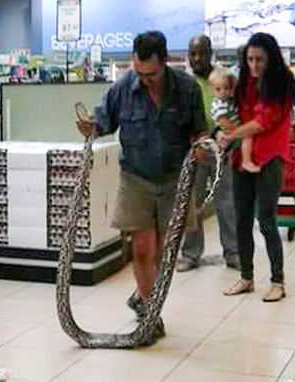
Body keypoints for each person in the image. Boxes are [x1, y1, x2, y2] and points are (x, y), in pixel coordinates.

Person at [76, 31, 207, 336]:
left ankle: (141, 296)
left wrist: (202, 145)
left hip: (175, 178)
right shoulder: (122, 89)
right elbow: (102, 124)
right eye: (139, 72)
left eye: (151, 74)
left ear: (166, 62)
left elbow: (199, 131)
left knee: (164, 253)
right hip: (135, 178)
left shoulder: (187, 89)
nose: (144, 79)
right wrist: (89, 128)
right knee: (143, 249)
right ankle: (151, 315)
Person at [219, 33, 295, 302]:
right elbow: (236, 115)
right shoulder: (245, 84)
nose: (254, 65)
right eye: (250, 59)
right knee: (241, 220)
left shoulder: (283, 85)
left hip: (270, 158)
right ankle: (247, 277)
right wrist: (223, 130)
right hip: (242, 158)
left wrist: (232, 134)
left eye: (259, 59)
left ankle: (278, 280)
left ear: (270, 58)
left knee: (266, 221)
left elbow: (264, 122)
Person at [176, 35, 240, 272]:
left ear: (211, 53)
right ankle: (191, 254)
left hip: (224, 150)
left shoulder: (224, 78)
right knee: (192, 204)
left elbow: (235, 111)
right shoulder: (183, 82)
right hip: (195, 151)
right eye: (193, 53)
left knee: (228, 202)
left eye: (202, 53)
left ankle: (233, 252)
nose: (197, 58)